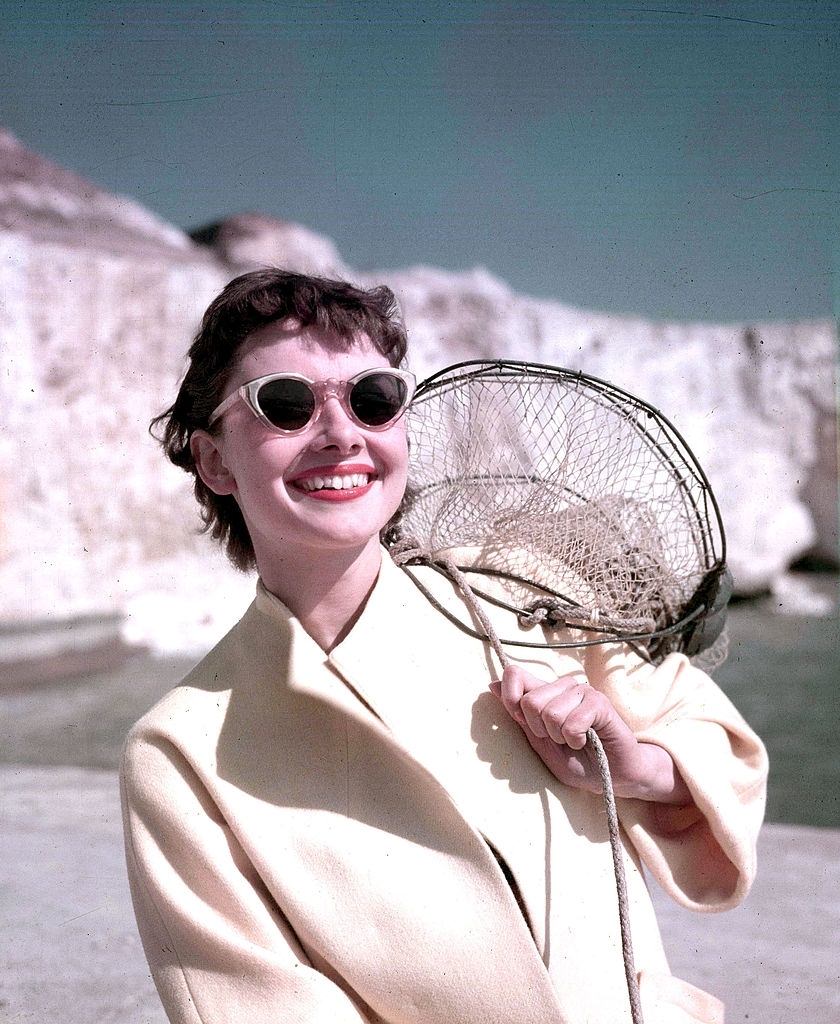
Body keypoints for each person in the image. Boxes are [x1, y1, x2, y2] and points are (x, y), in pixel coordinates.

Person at [120, 268, 768, 1024]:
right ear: (213, 460)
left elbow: (720, 744)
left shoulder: (533, 593)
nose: (340, 434)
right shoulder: (180, 752)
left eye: (372, 399)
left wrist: (638, 768)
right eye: (286, 405)